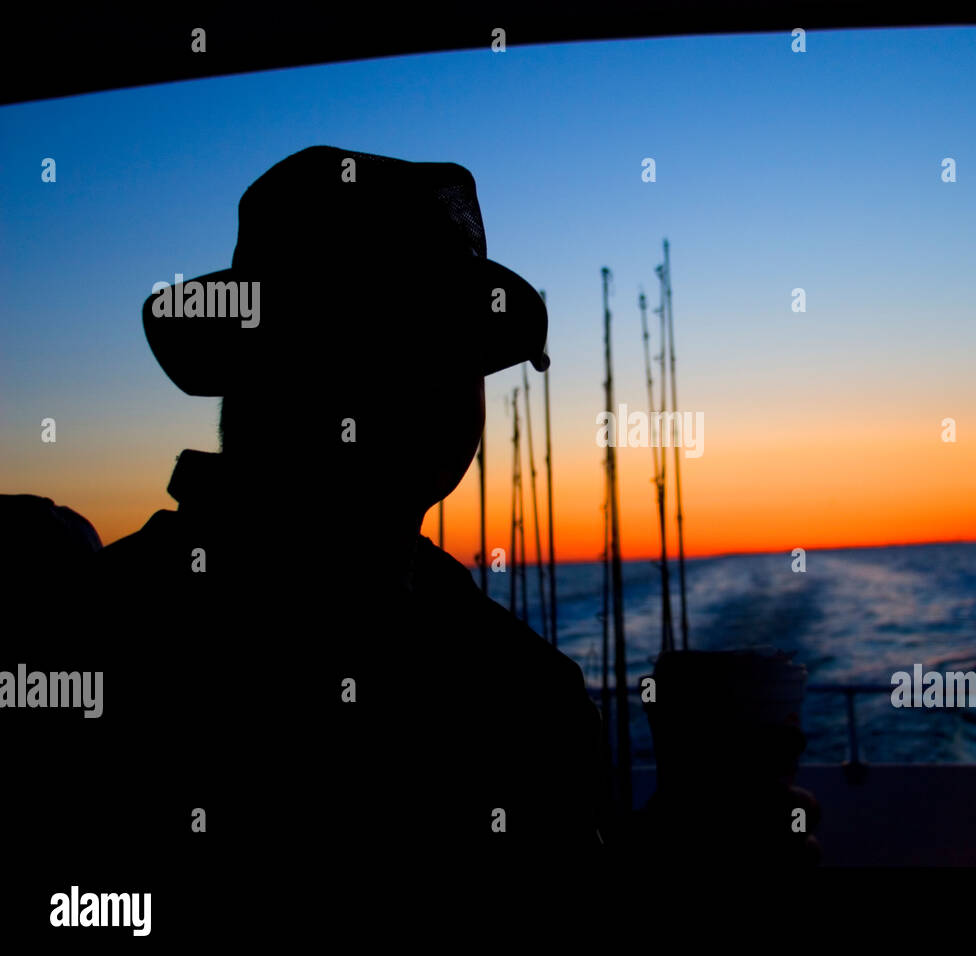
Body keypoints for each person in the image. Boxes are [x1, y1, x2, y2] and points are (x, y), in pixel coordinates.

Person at [83, 147, 604, 900]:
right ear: (264, 366)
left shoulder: (526, 683)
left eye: (459, 347)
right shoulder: (93, 639)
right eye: (374, 331)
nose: (433, 380)